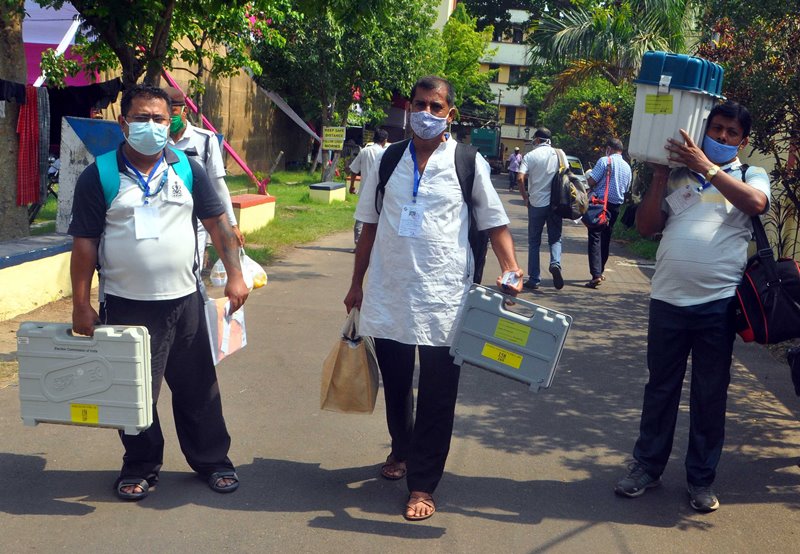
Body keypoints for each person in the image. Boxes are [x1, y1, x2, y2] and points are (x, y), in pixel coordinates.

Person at [344, 75, 523, 521]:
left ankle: (423, 483)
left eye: (436, 107)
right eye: (419, 105)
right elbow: (368, 225)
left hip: (446, 298)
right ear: (409, 109)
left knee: (439, 395)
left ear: (450, 114)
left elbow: (494, 223)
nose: (425, 114)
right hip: (390, 293)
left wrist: (511, 269)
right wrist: (356, 284)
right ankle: (401, 448)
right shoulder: (387, 161)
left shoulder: (468, 161)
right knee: (398, 384)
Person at [69, 85, 249, 501]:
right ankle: (141, 466)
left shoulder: (188, 170)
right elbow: (84, 246)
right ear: (123, 123)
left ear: (172, 124)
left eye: (159, 119)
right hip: (126, 304)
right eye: (141, 118)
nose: (150, 126)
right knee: (133, 393)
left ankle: (213, 461)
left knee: (198, 389)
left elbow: (218, 224)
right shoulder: (100, 175)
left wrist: (235, 275)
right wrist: (80, 304)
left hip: (184, 300)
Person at [615, 101, 770, 512]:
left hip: (717, 306)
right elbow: (647, 226)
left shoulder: (750, 174)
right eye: (715, 129)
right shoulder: (677, 175)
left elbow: (756, 204)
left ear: (743, 141)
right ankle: (646, 467)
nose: (721, 137)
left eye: (730, 133)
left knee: (709, 394)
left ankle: (701, 480)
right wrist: (660, 177)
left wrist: (709, 169)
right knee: (660, 388)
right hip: (667, 300)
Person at [164, 87, 244, 251]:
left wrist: (232, 224)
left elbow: (218, 185)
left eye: (173, 112)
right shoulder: (157, 141)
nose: (170, 118)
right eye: (165, 114)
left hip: (197, 221)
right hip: (165, 217)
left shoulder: (205, 139)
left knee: (193, 270)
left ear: (185, 110)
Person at [517, 127, 564, 290]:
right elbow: (566, 175)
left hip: (536, 203)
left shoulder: (530, 156)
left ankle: (534, 278)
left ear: (537, 140)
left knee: (534, 241)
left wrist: (525, 197)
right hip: (556, 205)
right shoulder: (560, 154)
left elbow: (520, 177)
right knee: (555, 238)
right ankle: (555, 263)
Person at [584, 137, 632, 288]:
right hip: (616, 206)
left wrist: (588, 180)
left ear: (609, 149)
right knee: (606, 238)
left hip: (600, 205)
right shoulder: (627, 167)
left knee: (595, 236)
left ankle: (596, 274)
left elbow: (591, 182)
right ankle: (600, 270)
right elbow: (626, 188)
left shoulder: (605, 161)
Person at [348, 128, 389, 245]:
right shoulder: (386, 153)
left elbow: (354, 170)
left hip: (365, 190)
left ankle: (359, 244)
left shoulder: (364, 151)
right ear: (385, 141)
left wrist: (351, 185)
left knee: (361, 218)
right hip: (382, 192)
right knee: (380, 220)